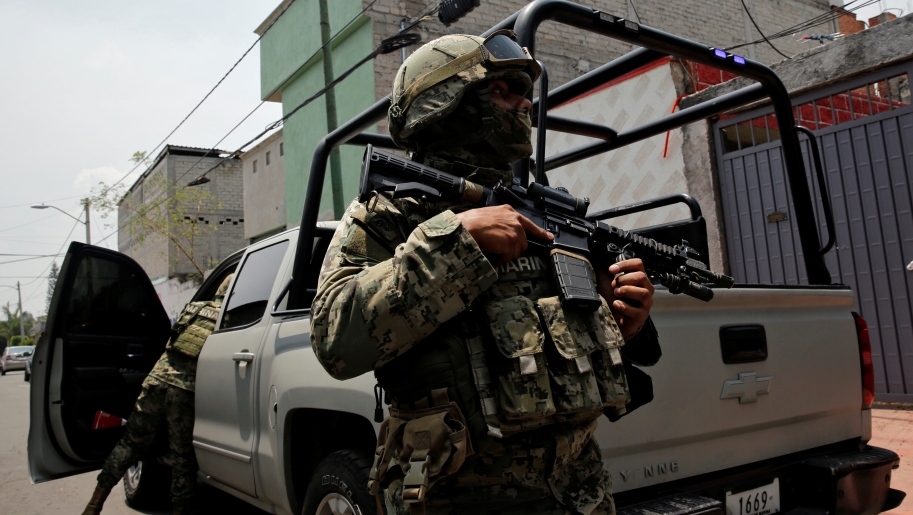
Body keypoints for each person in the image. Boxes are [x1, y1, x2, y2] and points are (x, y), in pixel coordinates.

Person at [310, 30, 661, 515]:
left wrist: (628, 319)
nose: (521, 105)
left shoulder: (543, 213)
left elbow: (577, 345)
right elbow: (335, 339)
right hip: (449, 498)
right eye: (502, 90)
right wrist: (457, 242)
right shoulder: (390, 212)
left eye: (524, 92)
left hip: (578, 496)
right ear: (444, 104)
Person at [81, 274, 233, 515]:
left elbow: (170, 339)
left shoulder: (193, 308)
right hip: (183, 390)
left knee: (130, 443)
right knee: (182, 459)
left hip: (156, 379)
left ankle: (94, 504)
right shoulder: (228, 318)